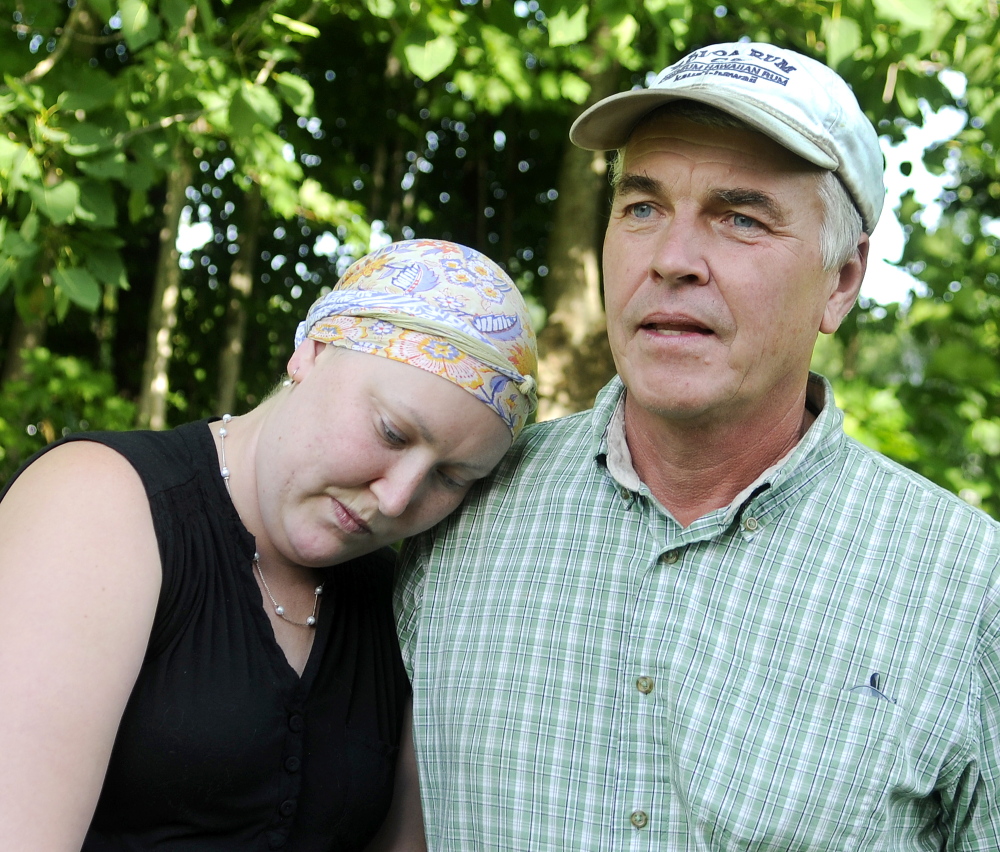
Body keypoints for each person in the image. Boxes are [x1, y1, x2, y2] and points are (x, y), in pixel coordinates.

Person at [395, 43, 1000, 850]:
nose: (671, 261)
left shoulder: (971, 593)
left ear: (844, 280)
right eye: (641, 208)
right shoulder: (446, 513)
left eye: (740, 217)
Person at [0, 238, 537, 851]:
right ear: (310, 350)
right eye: (391, 432)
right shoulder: (100, 503)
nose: (396, 499)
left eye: (451, 479)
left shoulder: (403, 598)